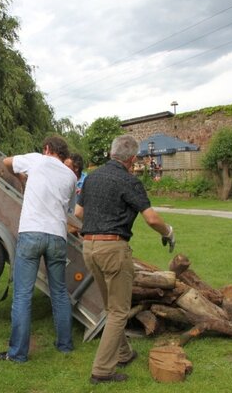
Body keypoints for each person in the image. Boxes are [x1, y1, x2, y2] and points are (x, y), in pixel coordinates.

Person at [74, 135, 175, 384]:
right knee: (119, 311)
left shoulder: (92, 177)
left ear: (111, 153)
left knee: (111, 308)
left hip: (89, 247)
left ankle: (124, 352)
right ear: (131, 159)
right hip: (113, 249)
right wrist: (169, 232)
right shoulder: (129, 181)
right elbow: (152, 219)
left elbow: (78, 214)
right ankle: (102, 371)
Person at [0, 136, 76, 363]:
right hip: (58, 236)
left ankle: (18, 354)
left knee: (22, 295)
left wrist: (22, 177)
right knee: (60, 293)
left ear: (47, 149)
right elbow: (68, 208)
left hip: (31, 232)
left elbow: (6, 162)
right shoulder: (71, 176)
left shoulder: (36, 160)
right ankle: (65, 345)